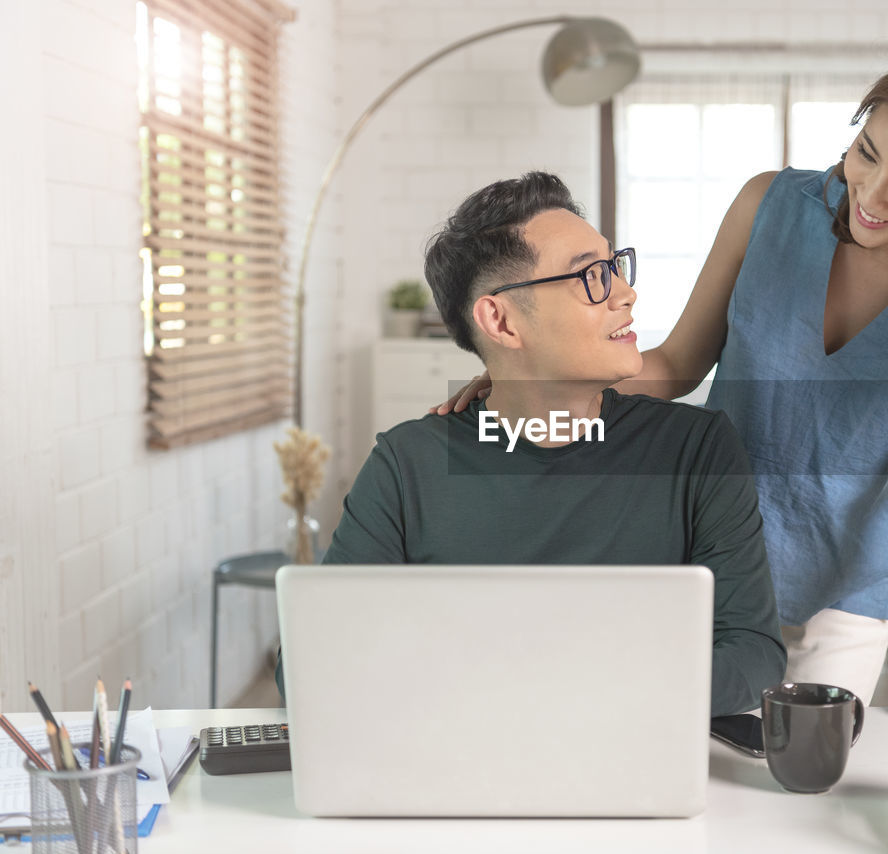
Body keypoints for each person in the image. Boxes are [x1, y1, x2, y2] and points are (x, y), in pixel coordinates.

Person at [437, 40, 888, 742]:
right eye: (867, 152)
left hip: (846, 593)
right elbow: (674, 362)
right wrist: (538, 375)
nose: (872, 195)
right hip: (712, 561)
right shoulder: (769, 205)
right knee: (670, 763)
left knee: (801, 787)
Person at [277, 172, 786, 717]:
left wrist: (575, 689)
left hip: (633, 757)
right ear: (500, 320)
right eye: (591, 275)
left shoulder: (697, 449)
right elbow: (309, 661)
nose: (625, 293)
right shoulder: (407, 466)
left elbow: (753, 654)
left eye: (614, 267)